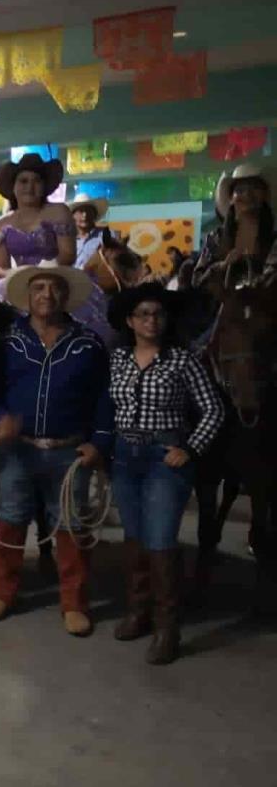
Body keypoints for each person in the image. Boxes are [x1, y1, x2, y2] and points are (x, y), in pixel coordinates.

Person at [0, 261, 113, 637]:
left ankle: (74, 602)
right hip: (18, 451)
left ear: (65, 296)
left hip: (70, 452)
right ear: (27, 295)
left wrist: (99, 443)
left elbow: (104, 398)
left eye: (54, 288)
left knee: (71, 525)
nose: (46, 295)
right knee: (10, 518)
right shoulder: (7, 343)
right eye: (39, 288)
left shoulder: (88, 344)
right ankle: (2, 593)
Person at [107, 282, 224, 665]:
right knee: (136, 537)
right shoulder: (118, 359)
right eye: (142, 314)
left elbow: (213, 409)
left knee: (160, 540)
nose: (151, 320)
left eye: (157, 313)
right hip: (124, 456)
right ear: (129, 320)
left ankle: (166, 628)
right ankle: (139, 613)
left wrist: (190, 448)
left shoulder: (182, 360)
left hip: (163, 456)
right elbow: (106, 406)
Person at [0, 154, 74, 303]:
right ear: (13, 186)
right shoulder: (2, 223)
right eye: (23, 181)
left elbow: (68, 255)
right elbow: (0, 267)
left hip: (54, 283)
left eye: (37, 181)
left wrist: (41, 272)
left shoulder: (59, 212)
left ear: (44, 186)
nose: (30, 187)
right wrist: (17, 275)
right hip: (17, 285)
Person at [193, 164, 276, 286]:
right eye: (240, 190)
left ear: (265, 195)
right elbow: (197, 280)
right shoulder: (216, 238)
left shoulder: (274, 239)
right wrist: (223, 266)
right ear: (231, 198)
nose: (248, 194)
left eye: (255, 188)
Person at [69, 192, 117, 346]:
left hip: (99, 298)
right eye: (80, 211)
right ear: (73, 215)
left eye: (88, 211)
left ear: (94, 214)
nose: (84, 215)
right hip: (71, 297)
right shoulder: (65, 241)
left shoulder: (106, 236)